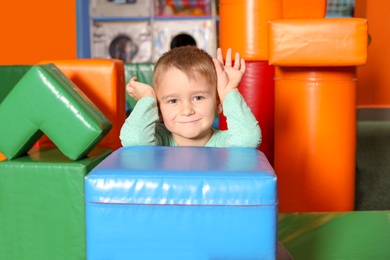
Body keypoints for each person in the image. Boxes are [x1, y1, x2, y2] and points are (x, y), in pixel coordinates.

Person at [120, 46, 261, 148]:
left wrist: (228, 92)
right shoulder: (159, 139)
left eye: (198, 98)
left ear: (218, 103)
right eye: (173, 101)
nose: (187, 111)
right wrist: (148, 97)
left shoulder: (224, 143)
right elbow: (133, 141)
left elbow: (248, 140)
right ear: (158, 109)